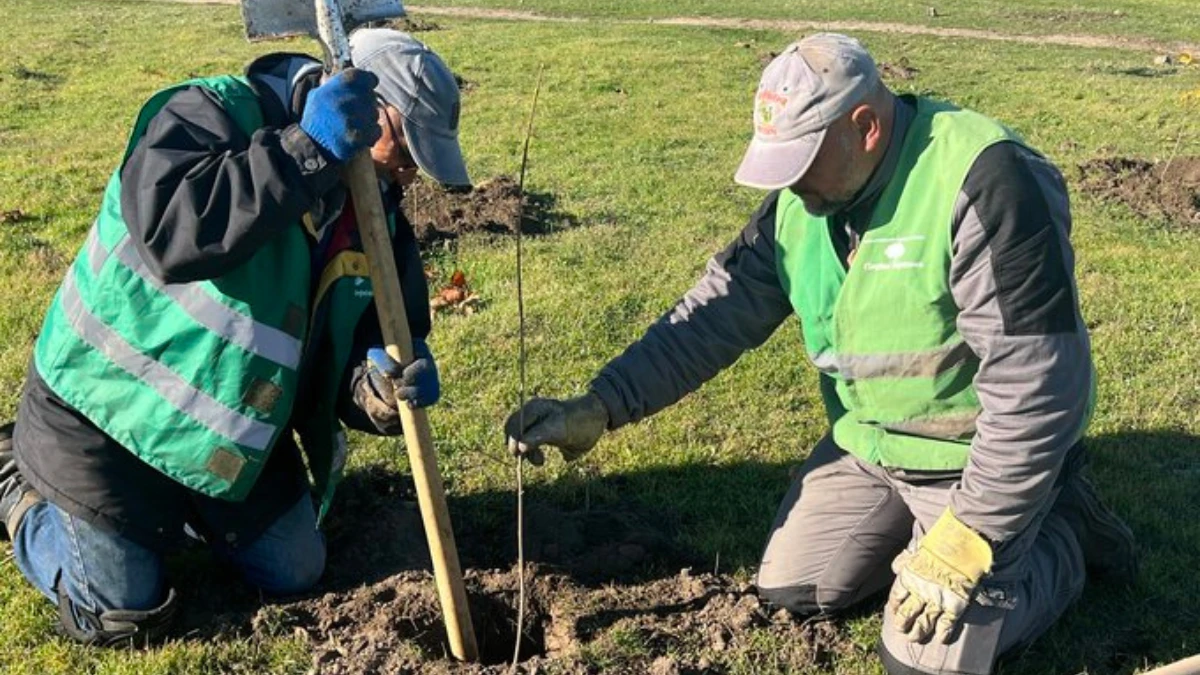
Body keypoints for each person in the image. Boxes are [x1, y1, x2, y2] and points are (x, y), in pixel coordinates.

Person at [504, 33, 1136, 675]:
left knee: (924, 663)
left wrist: (974, 530)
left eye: (802, 161)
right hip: (871, 448)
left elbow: (1039, 389)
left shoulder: (986, 181)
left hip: (972, 458)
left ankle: (1061, 538)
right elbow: (710, 318)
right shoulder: (803, 202)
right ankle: (924, 525)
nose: (792, 186)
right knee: (792, 591)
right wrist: (603, 404)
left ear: (863, 127)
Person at [0, 28, 469, 646]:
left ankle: (180, 513)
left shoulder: (373, 211)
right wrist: (305, 153)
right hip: (104, 414)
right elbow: (172, 233)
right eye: (407, 154)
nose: (410, 178)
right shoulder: (209, 113)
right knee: (122, 618)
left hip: (220, 437)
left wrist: (376, 386)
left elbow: (365, 345)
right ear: (368, 107)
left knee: (295, 568)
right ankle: (14, 485)